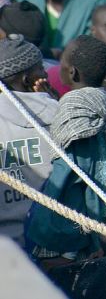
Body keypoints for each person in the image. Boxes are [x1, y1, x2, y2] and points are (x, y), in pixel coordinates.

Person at [26, 35, 106, 263]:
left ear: (72, 73)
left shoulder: (72, 111)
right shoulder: (103, 101)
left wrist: (43, 229)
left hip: (78, 235)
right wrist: (57, 101)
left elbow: (68, 176)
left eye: (62, 62)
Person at [0, 37, 56, 245]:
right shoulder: (57, 115)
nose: (45, 73)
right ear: (26, 80)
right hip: (53, 245)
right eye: (41, 69)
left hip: (7, 246)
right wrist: (53, 101)